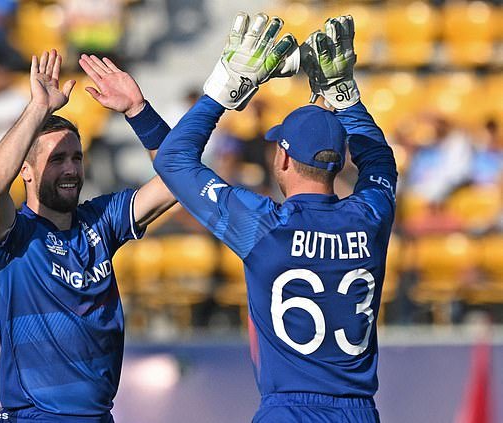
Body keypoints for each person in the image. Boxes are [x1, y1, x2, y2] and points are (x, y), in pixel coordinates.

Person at [152, 14, 396, 422]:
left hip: (288, 411)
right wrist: (345, 96)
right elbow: (380, 162)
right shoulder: (370, 218)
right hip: (359, 413)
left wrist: (223, 88)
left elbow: (174, 159)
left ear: (281, 157)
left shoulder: (267, 227)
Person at [0, 49, 175, 421]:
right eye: (56, 160)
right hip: (37, 415)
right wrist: (38, 110)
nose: (70, 170)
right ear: (26, 171)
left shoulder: (100, 221)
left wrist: (138, 110)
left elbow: (178, 181)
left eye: (76, 158)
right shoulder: (12, 237)